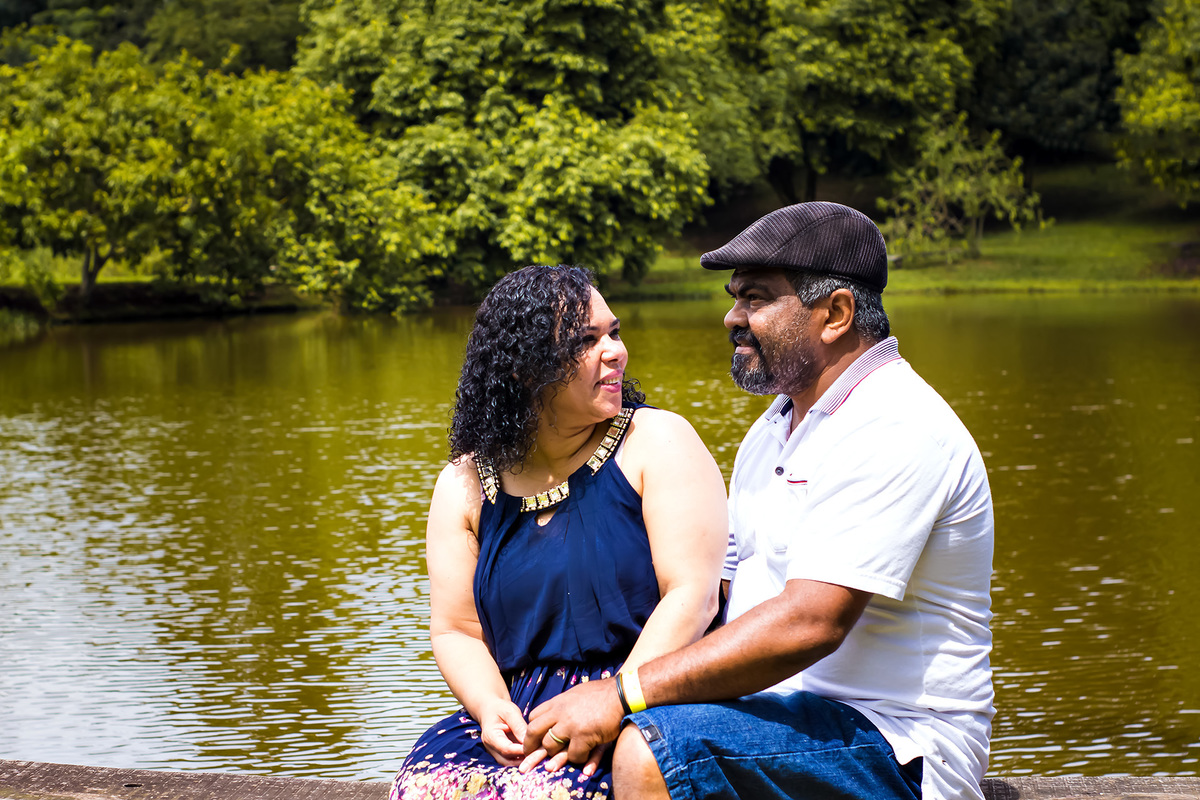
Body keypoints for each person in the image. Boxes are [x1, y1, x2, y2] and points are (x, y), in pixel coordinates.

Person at [521, 202, 995, 800]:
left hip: (898, 745)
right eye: (735, 297)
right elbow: (719, 595)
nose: (732, 318)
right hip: (777, 721)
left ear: (835, 314)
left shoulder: (894, 424)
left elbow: (811, 622)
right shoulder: (776, 427)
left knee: (652, 750)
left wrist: (621, 694)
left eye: (756, 298)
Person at [390, 264, 728, 800]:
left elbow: (694, 595)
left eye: (614, 333)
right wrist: (490, 707)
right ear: (524, 369)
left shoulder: (656, 441)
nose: (615, 352)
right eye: (585, 341)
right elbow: (456, 630)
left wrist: (615, 699)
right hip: (521, 713)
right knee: (428, 789)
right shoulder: (464, 484)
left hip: (646, 701)